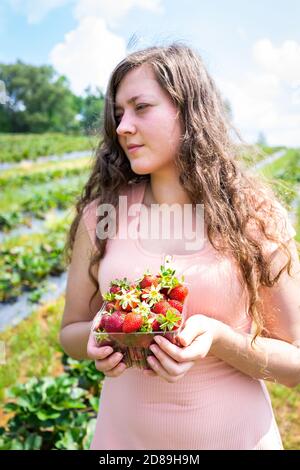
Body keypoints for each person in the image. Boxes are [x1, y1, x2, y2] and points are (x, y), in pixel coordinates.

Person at [59, 43, 300, 450]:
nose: (122, 126)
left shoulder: (255, 216)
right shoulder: (102, 216)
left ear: (189, 111)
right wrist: (99, 334)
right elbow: (70, 332)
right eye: (119, 114)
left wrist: (221, 340)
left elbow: (294, 364)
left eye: (141, 107)